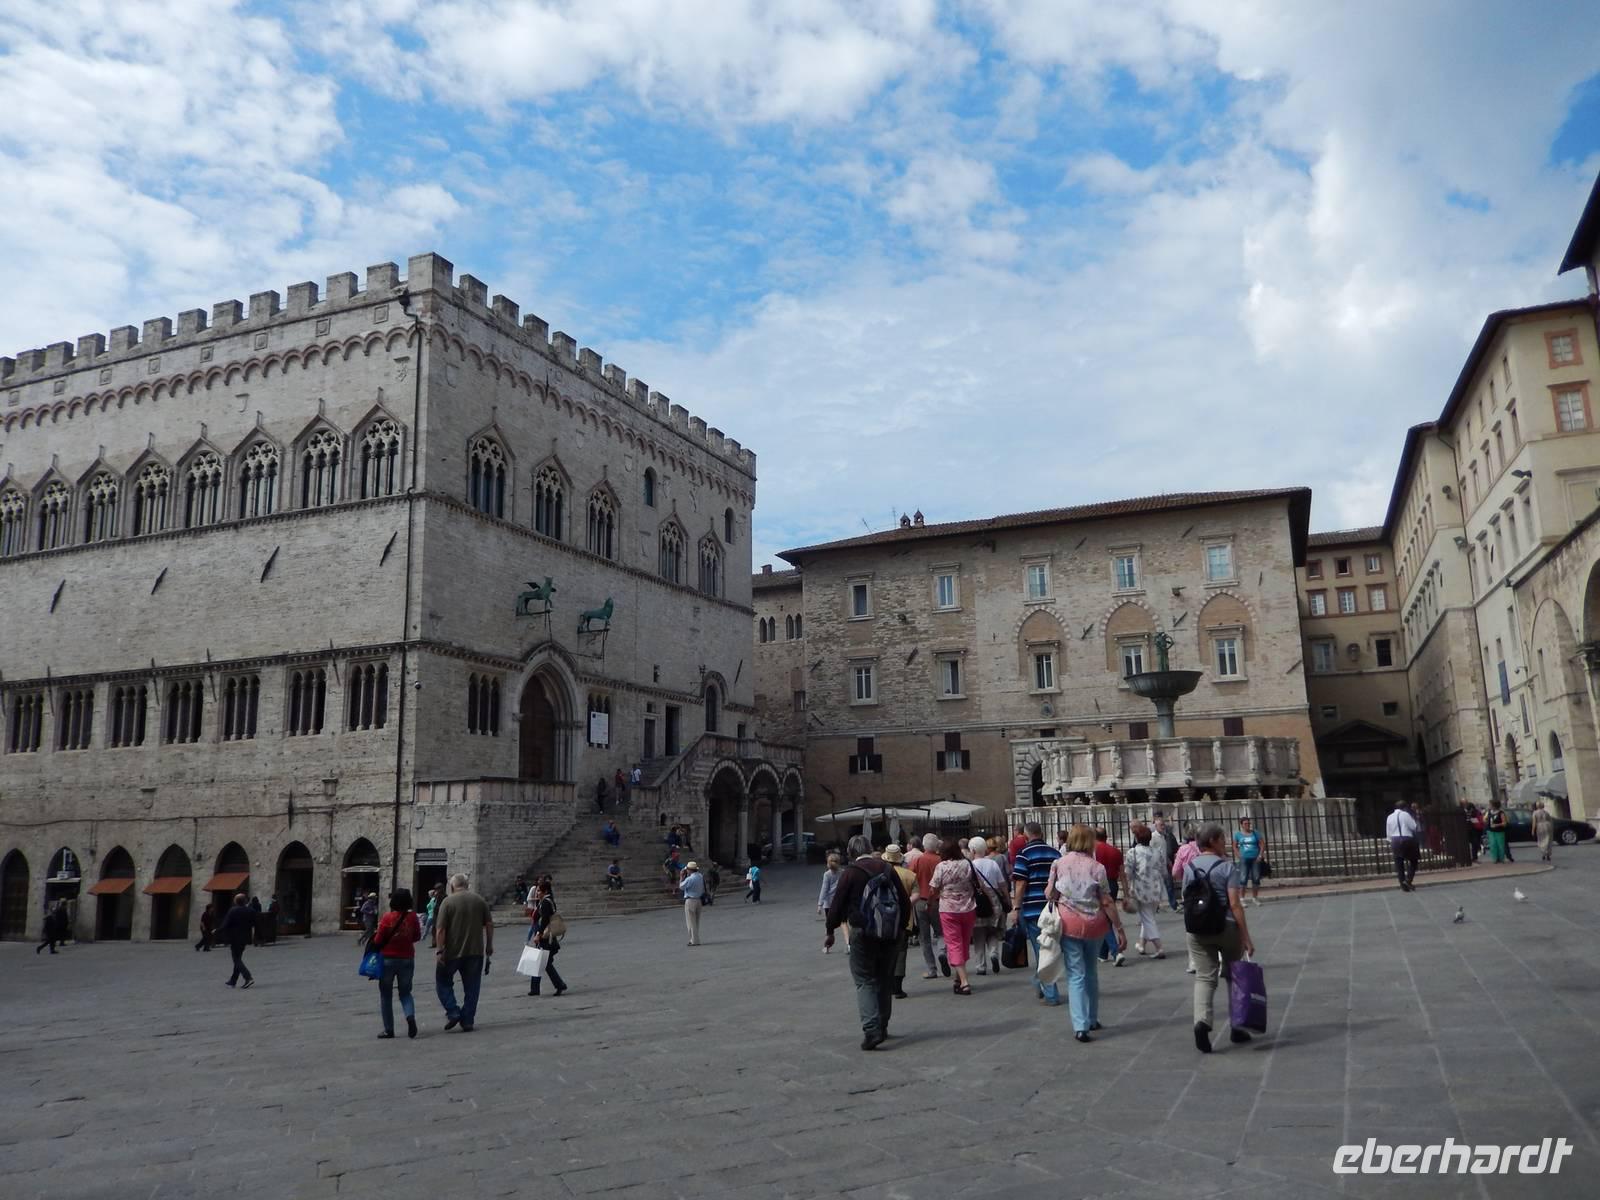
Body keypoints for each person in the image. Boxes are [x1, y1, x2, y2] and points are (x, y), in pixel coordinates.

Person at [825, 834, 910, 1051]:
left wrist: (830, 931)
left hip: (862, 932)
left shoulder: (851, 872)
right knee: (884, 979)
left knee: (864, 980)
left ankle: (872, 1029)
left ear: (850, 852)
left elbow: (837, 905)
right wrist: (901, 928)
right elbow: (904, 901)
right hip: (889, 933)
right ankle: (882, 1025)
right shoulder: (887, 869)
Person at [1183, 823, 1257, 1053]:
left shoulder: (1189, 867)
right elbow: (1235, 904)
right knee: (1234, 976)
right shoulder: (1227, 867)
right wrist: (1246, 936)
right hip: (1226, 927)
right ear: (1213, 841)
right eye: (1222, 838)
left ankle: (1202, 1022)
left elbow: (1187, 898)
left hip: (1198, 929)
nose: (1225, 842)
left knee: (1204, 977)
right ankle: (1237, 1026)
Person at [1047, 825, 1124, 1042]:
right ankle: (1092, 1018)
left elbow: (1049, 893)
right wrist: (1119, 928)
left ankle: (1080, 1025)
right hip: (1094, 924)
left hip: (1069, 923)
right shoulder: (1097, 867)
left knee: (1075, 973)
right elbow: (1106, 901)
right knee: (1091, 971)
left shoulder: (1058, 864)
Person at [1009, 820, 1063, 1005]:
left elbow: (1021, 883)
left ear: (1026, 835)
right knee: (1050, 947)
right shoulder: (1055, 853)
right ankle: (1040, 982)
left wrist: (1016, 907)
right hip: (1052, 907)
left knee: (1042, 950)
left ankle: (1050, 993)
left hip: (1032, 908)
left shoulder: (1024, 854)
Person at [433, 873, 492, 1032]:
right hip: (475, 951)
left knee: (442, 981)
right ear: (467, 885)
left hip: (452, 952)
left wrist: (439, 950)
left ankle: (453, 1011)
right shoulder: (479, 900)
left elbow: (440, 929)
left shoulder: (447, 902)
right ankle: (467, 1020)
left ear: (452, 886)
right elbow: (489, 924)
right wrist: (489, 946)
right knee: (472, 987)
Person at [928, 837, 980, 995]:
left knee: (954, 943)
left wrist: (931, 901)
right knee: (964, 942)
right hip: (968, 907)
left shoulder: (941, 866)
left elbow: (933, 888)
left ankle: (964, 982)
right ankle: (958, 978)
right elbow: (978, 883)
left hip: (949, 909)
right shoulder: (967, 864)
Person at [373, 888, 422, 1039]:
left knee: (386, 994)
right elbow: (417, 936)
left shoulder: (387, 918)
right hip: (407, 958)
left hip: (387, 959)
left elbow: (378, 940)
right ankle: (410, 1017)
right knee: (406, 993)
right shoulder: (412, 917)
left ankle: (389, 1029)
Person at [1123, 823, 1168, 959]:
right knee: (1148, 916)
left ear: (1137, 838)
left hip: (1141, 889)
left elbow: (1128, 872)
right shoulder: (1157, 852)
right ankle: (1141, 944)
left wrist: (1128, 887)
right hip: (1156, 888)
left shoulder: (1133, 852)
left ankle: (1159, 947)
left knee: (1148, 919)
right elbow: (1164, 871)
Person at [968, 836, 1007, 976]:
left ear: (973, 850)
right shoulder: (993, 864)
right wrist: (1007, 899)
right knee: (993, 931)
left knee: (978, 934)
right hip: (993, 900)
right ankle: (994, 953)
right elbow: (1002, 884)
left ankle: (980, 966)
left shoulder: (971, 865)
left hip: (978, 902)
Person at [882, 844, 917, 999]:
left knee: (885, 951)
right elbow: (916, 895)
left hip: (884, 918)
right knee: (901, 951)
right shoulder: (910, 875)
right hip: (904, 919)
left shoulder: (880, 874)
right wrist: (905, 903)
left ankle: (886, 982)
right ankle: (897, 987)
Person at [911, 832, 947, 979]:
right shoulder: (941, 860)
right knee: (941, 932)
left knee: (924, 938)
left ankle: (932, 969)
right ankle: (942, 952)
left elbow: (911, 878)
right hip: (938, 901)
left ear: (924, 845)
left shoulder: (917, 860)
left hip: (921, 901)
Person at [526, 879, 568, 997]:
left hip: (546, 937)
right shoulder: (545, 901)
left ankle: (559, 984)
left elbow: (544, 920)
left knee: (544, 963)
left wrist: (538, 934)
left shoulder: (545, 902)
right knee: (541, 962)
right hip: (547, 937)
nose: (537, 892)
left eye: (539, 891)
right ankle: (535, 988)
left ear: (545, 891)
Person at [1092, 828, 1126, 965]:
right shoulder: (1116, 851)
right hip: (1113, 884)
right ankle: (1103, 953)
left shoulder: (1093, 851)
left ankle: (1115, 951)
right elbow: (1122, 874)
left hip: (1099, 885)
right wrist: (1127, 893)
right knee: (1107, 918)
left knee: (1103, 920)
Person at [219, 893, 255, 988]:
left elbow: (226, 924)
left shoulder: (233, 910)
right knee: (238, 958)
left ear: (236, 902)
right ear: (245, 901)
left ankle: (248, 977)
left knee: (236, 959)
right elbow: (255, 923)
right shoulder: (250, 910)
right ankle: (233, 980)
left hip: (235, 938)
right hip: (245, 938)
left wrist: (217, 931)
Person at [1386, 799, 1421, 891]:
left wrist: (1390, 841)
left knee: (1399, 863)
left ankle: (1402, 884)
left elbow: (1388, 832)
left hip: (1395, 840)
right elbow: (1413, 826)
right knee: (1414, 860)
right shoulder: (1406, 814)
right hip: (1407, 839)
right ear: (1405, 808)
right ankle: (1408, 880)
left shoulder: (1389, 817)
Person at [1232, 817, 1266, 906]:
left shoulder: (1255, 833)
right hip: (1244, 858)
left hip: (1255, 858)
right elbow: (1234, 845)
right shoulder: (1238, 835)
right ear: (1241, 825)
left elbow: (1262, 844)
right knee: (1243, 878)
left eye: (1248, 823)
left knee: (1256, 878)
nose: (1247, 825)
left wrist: (1260, 855)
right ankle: (1242, 898)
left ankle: (1255, 897)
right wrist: (1238, 855)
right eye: (1245, 824)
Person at [1152, 812, 1180, 910]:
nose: (1163, 827)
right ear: (1156, 826)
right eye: (1161, 825)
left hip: (1164, 865)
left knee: (1169, 884)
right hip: (1156, 866)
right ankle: (1155, 906)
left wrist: (1168, 861)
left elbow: (1163, 851)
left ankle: (1173, 904)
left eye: (1163, 825)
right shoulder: (1153, 837)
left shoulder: (1164, 836)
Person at [817, 855, 845, 949]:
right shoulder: (843, 872)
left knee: (829, 927)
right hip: (840, 901)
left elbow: (824, 889)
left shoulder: (827, 874)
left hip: (828, 903)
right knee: (844, 922)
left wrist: (819, 904)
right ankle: (848, 943)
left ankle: (827, 946)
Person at [680, 861, 706, 945]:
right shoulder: (700, 876)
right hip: (699, 900)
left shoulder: (689, 879)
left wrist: (681, 877)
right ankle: (695, 938)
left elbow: (681, 886)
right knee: (696, 921)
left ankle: (694, 940)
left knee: (691, 922)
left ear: (689, 870)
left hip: (690, 900)